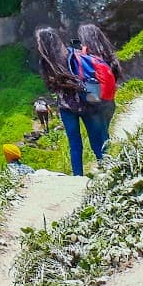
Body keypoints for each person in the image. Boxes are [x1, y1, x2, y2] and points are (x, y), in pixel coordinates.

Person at [35, 27, 106, 176]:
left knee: (75, 145)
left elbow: (51, 87)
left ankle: (77, 177)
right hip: (86, 102)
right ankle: (106, 167)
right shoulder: (71, 53)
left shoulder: (46, 63)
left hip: (66, 109)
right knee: (96, 139)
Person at [78, 22, 122, 152]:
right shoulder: (108, 55)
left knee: (96, 138)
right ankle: (109, 158)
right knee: (104, 133)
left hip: (95, 100)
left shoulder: (86, 57)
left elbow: (82, 75)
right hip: (110, 101)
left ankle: (104, 161)